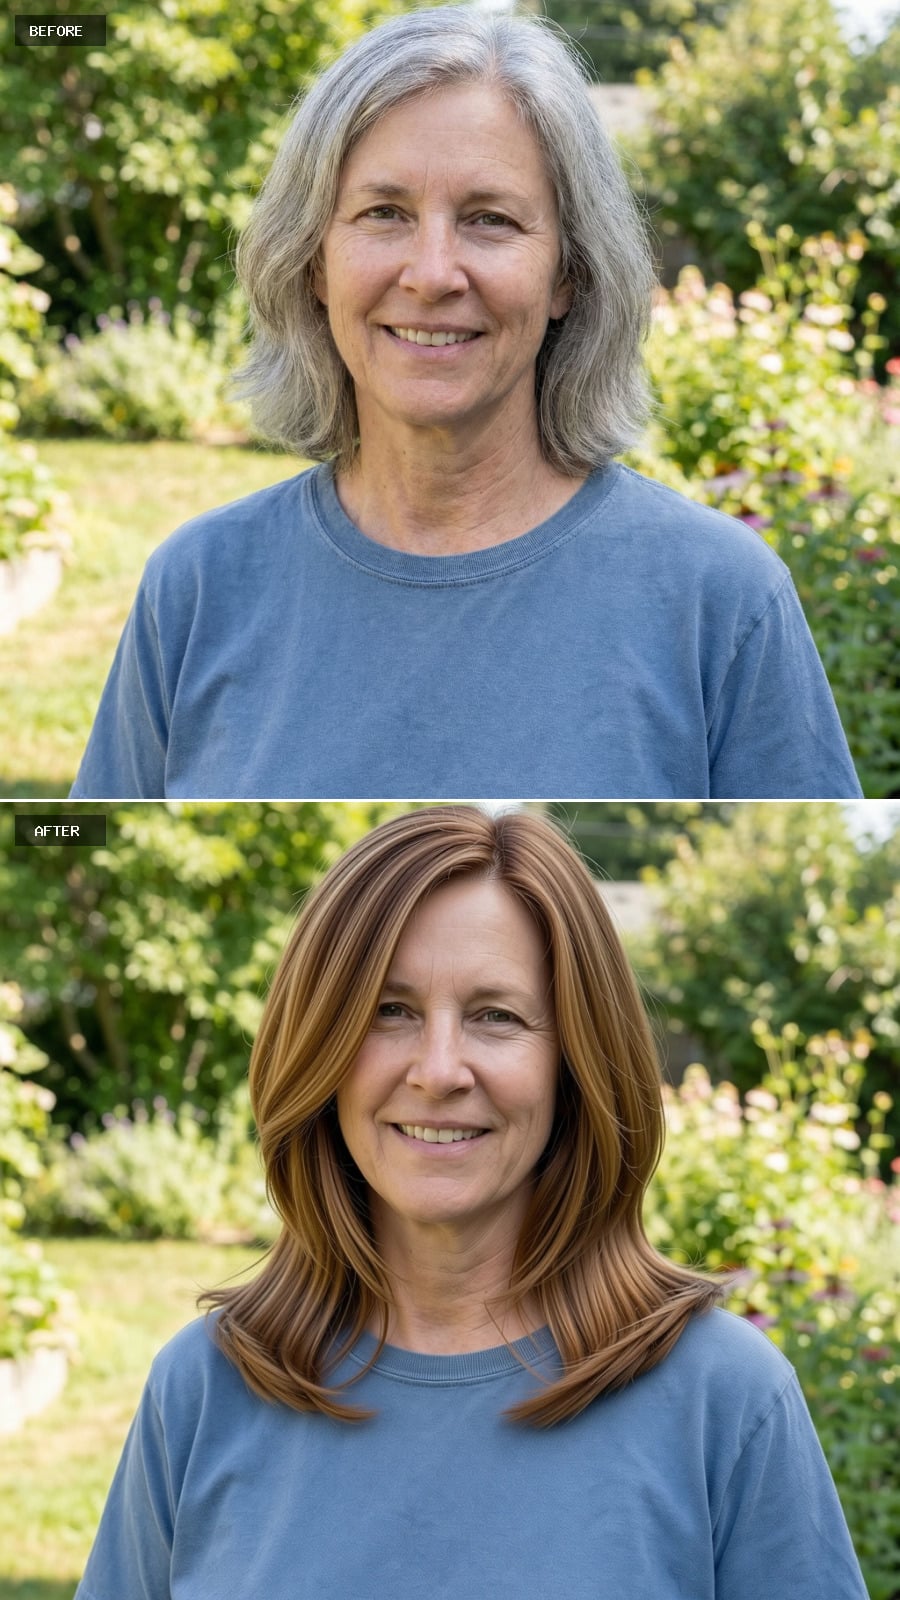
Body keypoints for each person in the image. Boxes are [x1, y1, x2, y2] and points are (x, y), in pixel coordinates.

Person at [75, 806, 869, 1599]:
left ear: (578, 1062)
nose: (439, 1069)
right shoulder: (204, 1387)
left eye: (497, 1016)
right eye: (391, 1011)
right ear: (318, 1046)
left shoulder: (723, 1401)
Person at [69, 7, 861, 801]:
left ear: (568, 276)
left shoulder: (720, 601)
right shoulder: (199, 585)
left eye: (491, 220)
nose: (433, 272)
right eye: (385, 213)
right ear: (313, 262)